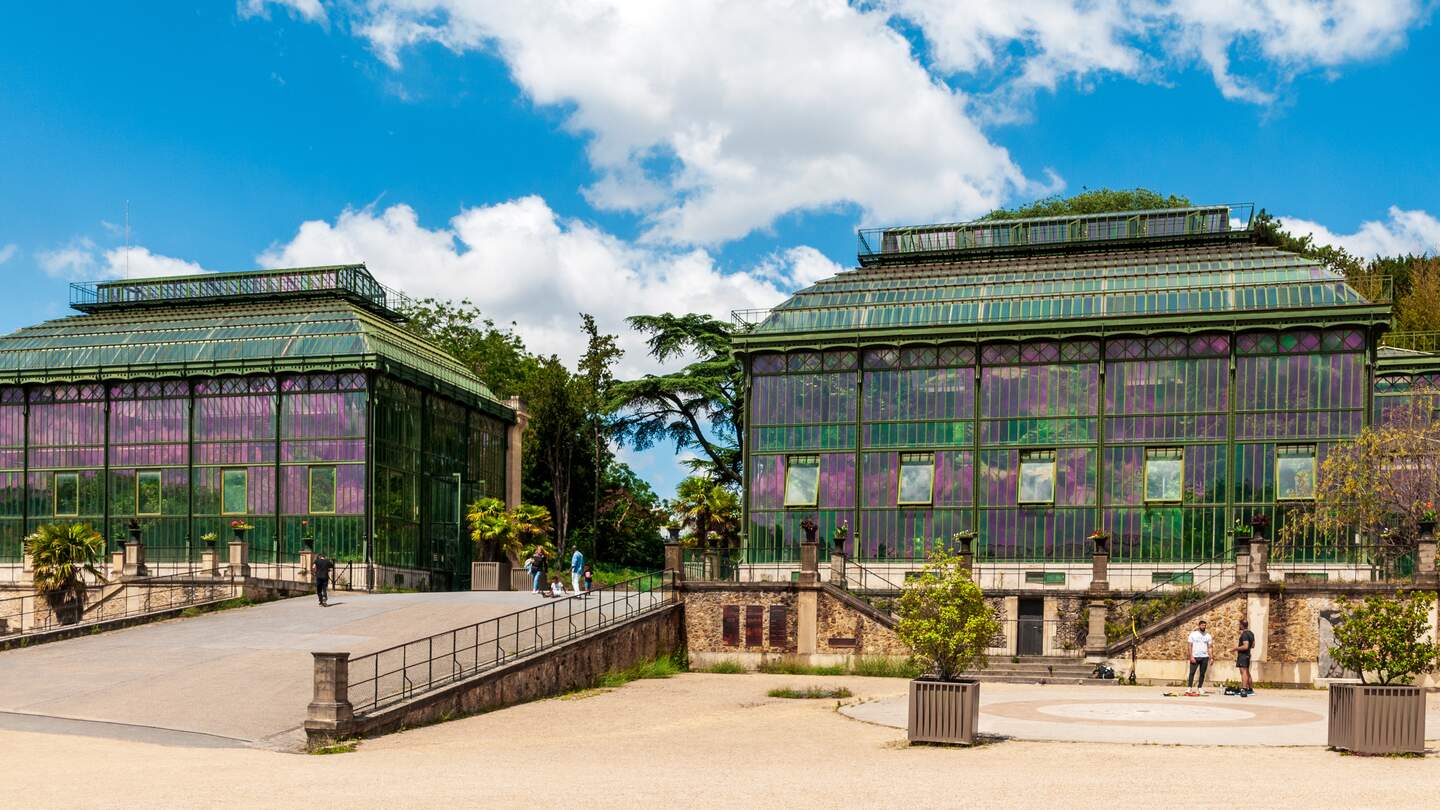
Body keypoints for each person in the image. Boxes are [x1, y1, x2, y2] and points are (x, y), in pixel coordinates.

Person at [1186, 619, 1213, 693]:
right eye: (1202, 625)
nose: (1203, 626)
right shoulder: (1193, 634)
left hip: (1205, 657)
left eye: (1205, 625)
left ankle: (1200, 687)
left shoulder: (1208, 635)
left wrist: (1211, 658)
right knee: (1192, 673)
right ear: (1199, 626)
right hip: (1195, 656)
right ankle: (1189, 687)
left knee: (1202, 673)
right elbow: (1189, 646)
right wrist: (1191, 656)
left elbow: (1210, 647)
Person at [1234, 618, 1255, 696]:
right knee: (1247, 672)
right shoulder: (1251, 633)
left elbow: (1245, 646)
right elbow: (1252, 645)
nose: (1239, 626)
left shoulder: (1244, 634)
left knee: (1243, 672)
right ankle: (1250, 689)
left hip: (1243, 655)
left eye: (1240, 624)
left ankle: (1244, 689)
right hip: (1248, 655)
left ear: (1242, 625)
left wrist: (1235, 648)